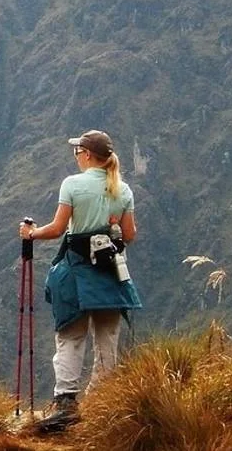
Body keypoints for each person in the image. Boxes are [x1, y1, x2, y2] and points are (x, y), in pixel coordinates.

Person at [17, 129, 142, 428]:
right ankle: (102, 404)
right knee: (107, 340)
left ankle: (66, 405)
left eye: (77, 151)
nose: (76, 156)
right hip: (110, 273)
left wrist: (31, 234)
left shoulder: (72, 185)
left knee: (71, 336)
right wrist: (112, 226)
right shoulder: (122, 189)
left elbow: (57, 229)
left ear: (86, 155)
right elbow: (129, 235)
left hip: (77, 271)